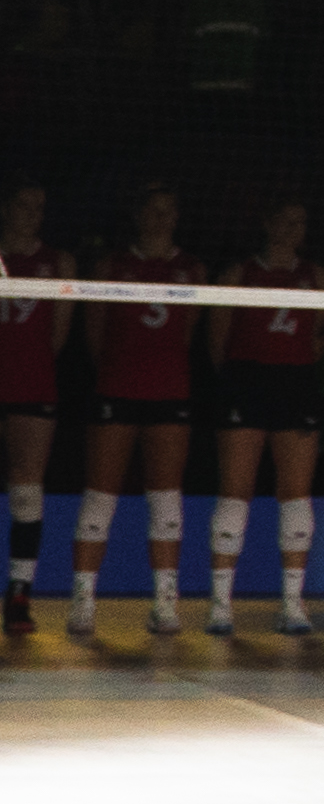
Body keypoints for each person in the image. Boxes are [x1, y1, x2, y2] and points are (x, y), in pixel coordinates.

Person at [70, 182, 201, 637]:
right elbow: (95, 334)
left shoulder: (191, 269)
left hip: (170, 392)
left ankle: (165, 603)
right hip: (117, 388)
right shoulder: (112, 266)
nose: (161, 219)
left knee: (165, 498)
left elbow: (187, 334)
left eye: (169, 210)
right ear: (138, 215)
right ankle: (83, 601)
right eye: (154, 210)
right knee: (99, 496)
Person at [204, 200, 324, 634]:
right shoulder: (238, 273)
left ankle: (293, 604)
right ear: (267, 223)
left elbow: (319, 338)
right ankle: (220, 605)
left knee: (295, 493)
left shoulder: (317, 276)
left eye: (300, 222)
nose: (292, 228)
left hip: (295, 383)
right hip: (246, 379)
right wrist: (237, 381)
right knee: (235, 491)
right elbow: (218, 339)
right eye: (284, 220)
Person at [1, 180, 67, 634]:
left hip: (31, 384)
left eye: (39, 207)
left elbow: (56, 337)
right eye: (24, 205)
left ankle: (20, 592)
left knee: (26, 489)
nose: (33, 214)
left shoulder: (58, 262)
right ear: (6, 208)